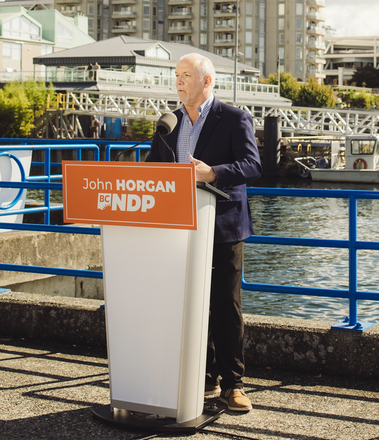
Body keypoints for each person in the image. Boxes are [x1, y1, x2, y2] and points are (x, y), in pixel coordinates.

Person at [146, 53, 262, 412]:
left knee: (225, 306)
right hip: (180, 226)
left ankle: (234, 384)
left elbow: (253, 164)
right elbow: (154, 169)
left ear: (207, 81)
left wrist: (212, 173)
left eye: (185, 75)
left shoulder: (234, 118)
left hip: (223, 226)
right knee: (188, 304)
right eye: (176, 75)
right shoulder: (170, 121)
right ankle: (204, 376)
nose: (178, 81)